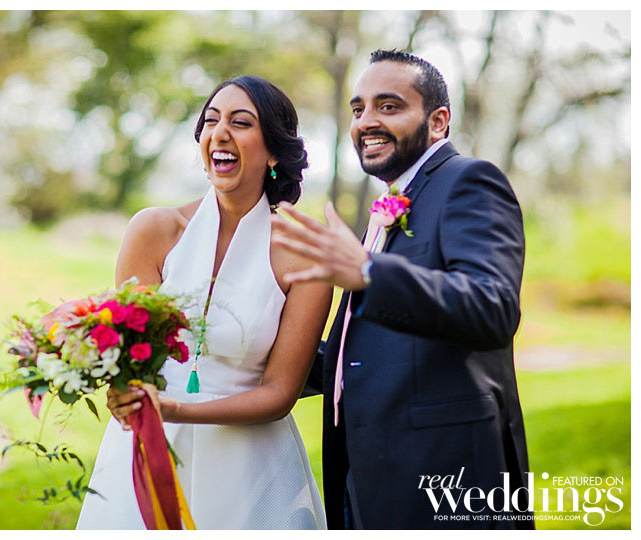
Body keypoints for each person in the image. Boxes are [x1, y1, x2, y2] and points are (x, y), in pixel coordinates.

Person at [271, 50, 532, 529]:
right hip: (370, 478)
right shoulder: (391, 203)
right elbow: (367, 354)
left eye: (388, 106)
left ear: (438, 121)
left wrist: (370, 272)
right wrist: (248, 351)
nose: (366, 121)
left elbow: (492, 308)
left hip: (446, 479)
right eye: (358, 109)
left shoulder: (468, 182)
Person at [76, 75, 332, 530]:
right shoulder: (154, 231)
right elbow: (128, 355)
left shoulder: (305, 257)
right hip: (149, 453)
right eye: (211, 121)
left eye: (241, 122)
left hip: (252, 468)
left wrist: (180, 412)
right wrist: (123, 393)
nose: (220, 133)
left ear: (274, 152)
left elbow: (279, 394)